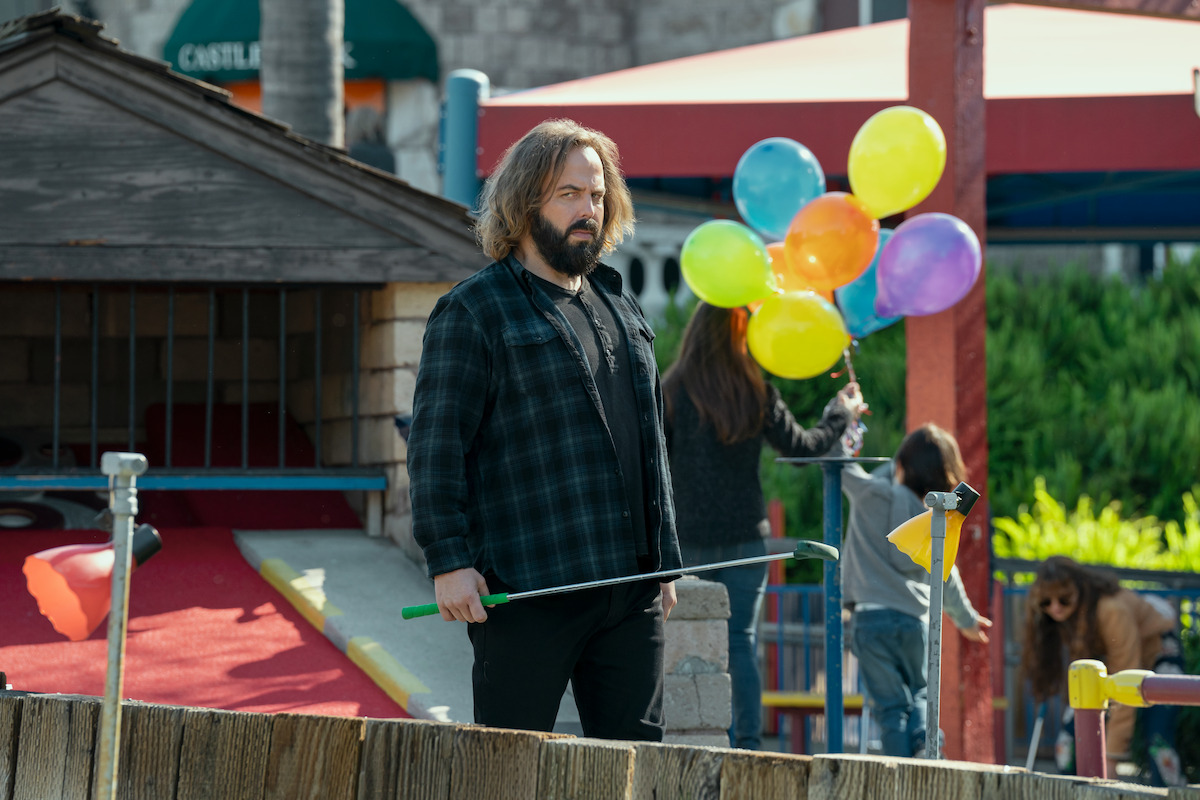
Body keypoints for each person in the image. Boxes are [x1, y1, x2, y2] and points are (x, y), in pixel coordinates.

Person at [406, 119, 683, 741]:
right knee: (511, 768)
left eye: (597, 195)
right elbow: (435, 446)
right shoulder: (474, 309)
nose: (588, 209)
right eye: (569, 194)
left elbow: (652, 446)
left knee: (634, 774)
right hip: (527, 587)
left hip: (629, 591)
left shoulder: (620, 304)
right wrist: (448, 559)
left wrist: (665, 562)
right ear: (525, 201)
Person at [662, 301, 865, 749]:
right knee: (741, 643)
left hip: (688, 542)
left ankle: (690, 742)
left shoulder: (670, 390)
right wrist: (840, 412)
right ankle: (748, 747)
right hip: (747, 540)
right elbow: (804, 448)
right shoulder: (755, 392)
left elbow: (653, 465)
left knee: (686, 642)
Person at [839, 423, 992, 758]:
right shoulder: (935, 519)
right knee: (921, 694)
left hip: (870, 619)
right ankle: (925, 744)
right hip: (914, 621)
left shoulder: (869, 494)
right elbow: (946, 574)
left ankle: (900, 775)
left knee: (891, 709)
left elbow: (838, 462)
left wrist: (840, 419)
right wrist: (965, 619)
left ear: (900, 466)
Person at [1021, 555, 1186, 785]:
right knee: (1067, 743)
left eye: (1064, 598)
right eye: (1046, 602)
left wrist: (1111, 757)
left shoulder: (1112, 610)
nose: (1055, 607)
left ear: (1079, 588)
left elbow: (1125, 681)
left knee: (1159, 742)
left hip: (1158, 660)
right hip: (1107, 669)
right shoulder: (1067, 616)